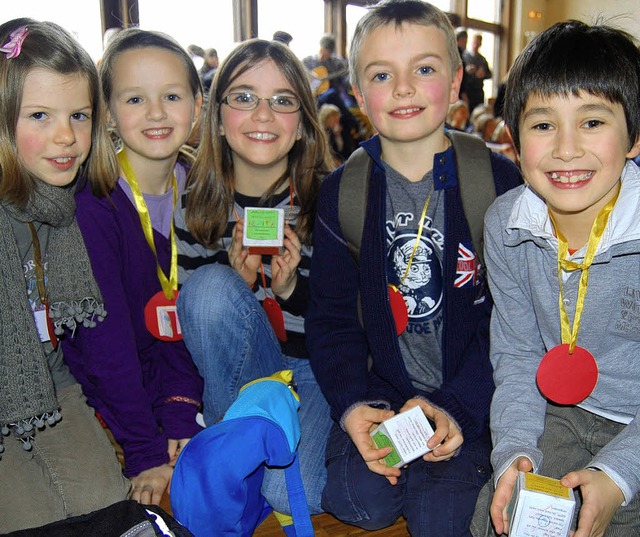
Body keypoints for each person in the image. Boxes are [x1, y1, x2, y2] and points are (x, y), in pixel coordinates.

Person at [305, 1, 521, 535]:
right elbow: (331, 321)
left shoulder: (498, 184)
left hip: (470, 394)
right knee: (358, 502)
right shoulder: (341, 194)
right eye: (382, 74)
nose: (403, 88)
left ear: (454, 86)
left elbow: (516, 324)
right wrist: (354, 403)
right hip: (382, 394)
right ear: (359, 94)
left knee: (440, 519)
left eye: (424, 69)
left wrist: (459, 407)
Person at [470, 20, 640, 537]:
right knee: (499, 516)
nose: (566, 149)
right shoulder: (505, 225)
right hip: (560, 411)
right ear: (515, 144)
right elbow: (519, 354)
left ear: (634, 137)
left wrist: (617, 476)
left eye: (592, 122)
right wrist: (515, 453)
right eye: (543, 125)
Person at [174, 38, 334, 516]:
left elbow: (346, 322)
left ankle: (237, 452)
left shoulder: (330, 200)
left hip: (311, 368)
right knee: (208, 290)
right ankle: (234, 443)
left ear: (304, 122)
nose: (263, 115)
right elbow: (201, 325)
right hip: (242, 372)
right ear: (218, 119)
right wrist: (235, 285)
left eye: (282, 101)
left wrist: (292, 290)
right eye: (244, 97)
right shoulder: (198, 203)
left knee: (289, 493)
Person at [61, 28, 204, 507]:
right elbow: (105, 347)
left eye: (171, 96)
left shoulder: (206, 193)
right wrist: (144, 450)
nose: (157, 113)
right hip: (119, 399)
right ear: (107, 113)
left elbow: (191, 325)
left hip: (183, 386)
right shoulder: (92, 206)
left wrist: (182, 412)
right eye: (135, 98)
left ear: (198, 105)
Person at [0, 18, 130, 532]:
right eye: (39, 115)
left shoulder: (59, 205)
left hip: (49, 383)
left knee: (109, 508)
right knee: (36, 521)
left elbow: (52, 345)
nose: (66, 136)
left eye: (79, 115)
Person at [302, 34, 350, 101]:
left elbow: (346, 81)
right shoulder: (306, 62)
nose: (322, 57)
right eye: (321, 52)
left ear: (331, 53)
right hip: (311, 95)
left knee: (333, 95)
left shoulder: (337, 63)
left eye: (325, 55)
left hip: (332, 96)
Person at [462, 33, 492, 115]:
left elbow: (490, 75)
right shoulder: (464, 56)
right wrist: (467, 70)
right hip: (468, 91)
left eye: (478, 43)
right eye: (474, 43)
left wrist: (483, 74)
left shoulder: (482, 59)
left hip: (478, 92)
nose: (476, 45)